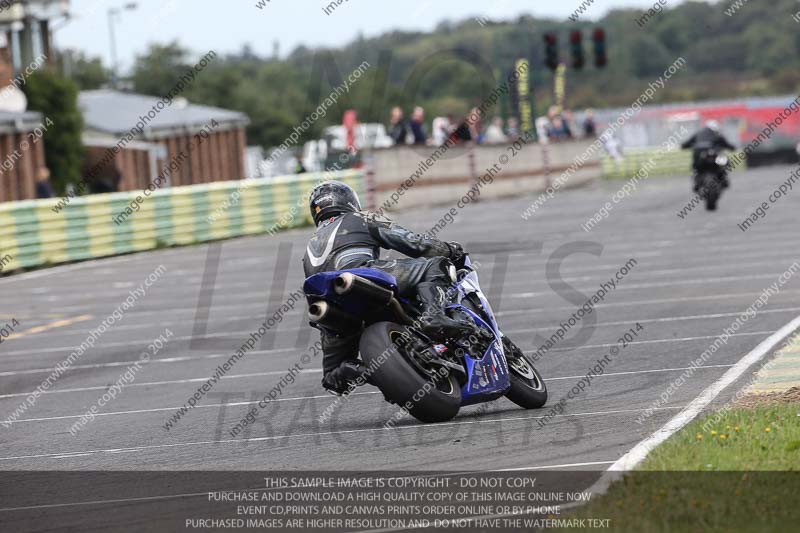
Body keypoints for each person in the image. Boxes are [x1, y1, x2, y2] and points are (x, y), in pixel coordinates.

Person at [303, 180, 468, 395]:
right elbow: (414, 244)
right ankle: (433, 316)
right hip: (362, 274)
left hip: (329, 304)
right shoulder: (361, 218)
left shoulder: (309, 247)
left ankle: (355, 371)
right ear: (350, 201)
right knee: (436, 266)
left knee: (333, 375)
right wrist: (448, 250)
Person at [681, 120, 735, 189]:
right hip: (709, 156)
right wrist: (731, 147)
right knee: (724, 162)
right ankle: (723, 178)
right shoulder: (716, 134)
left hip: (700, 154)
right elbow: (726, 143)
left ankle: (697, 180)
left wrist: (685, 146)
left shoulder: (698, 133)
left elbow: (686, 144)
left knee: (696, 167)